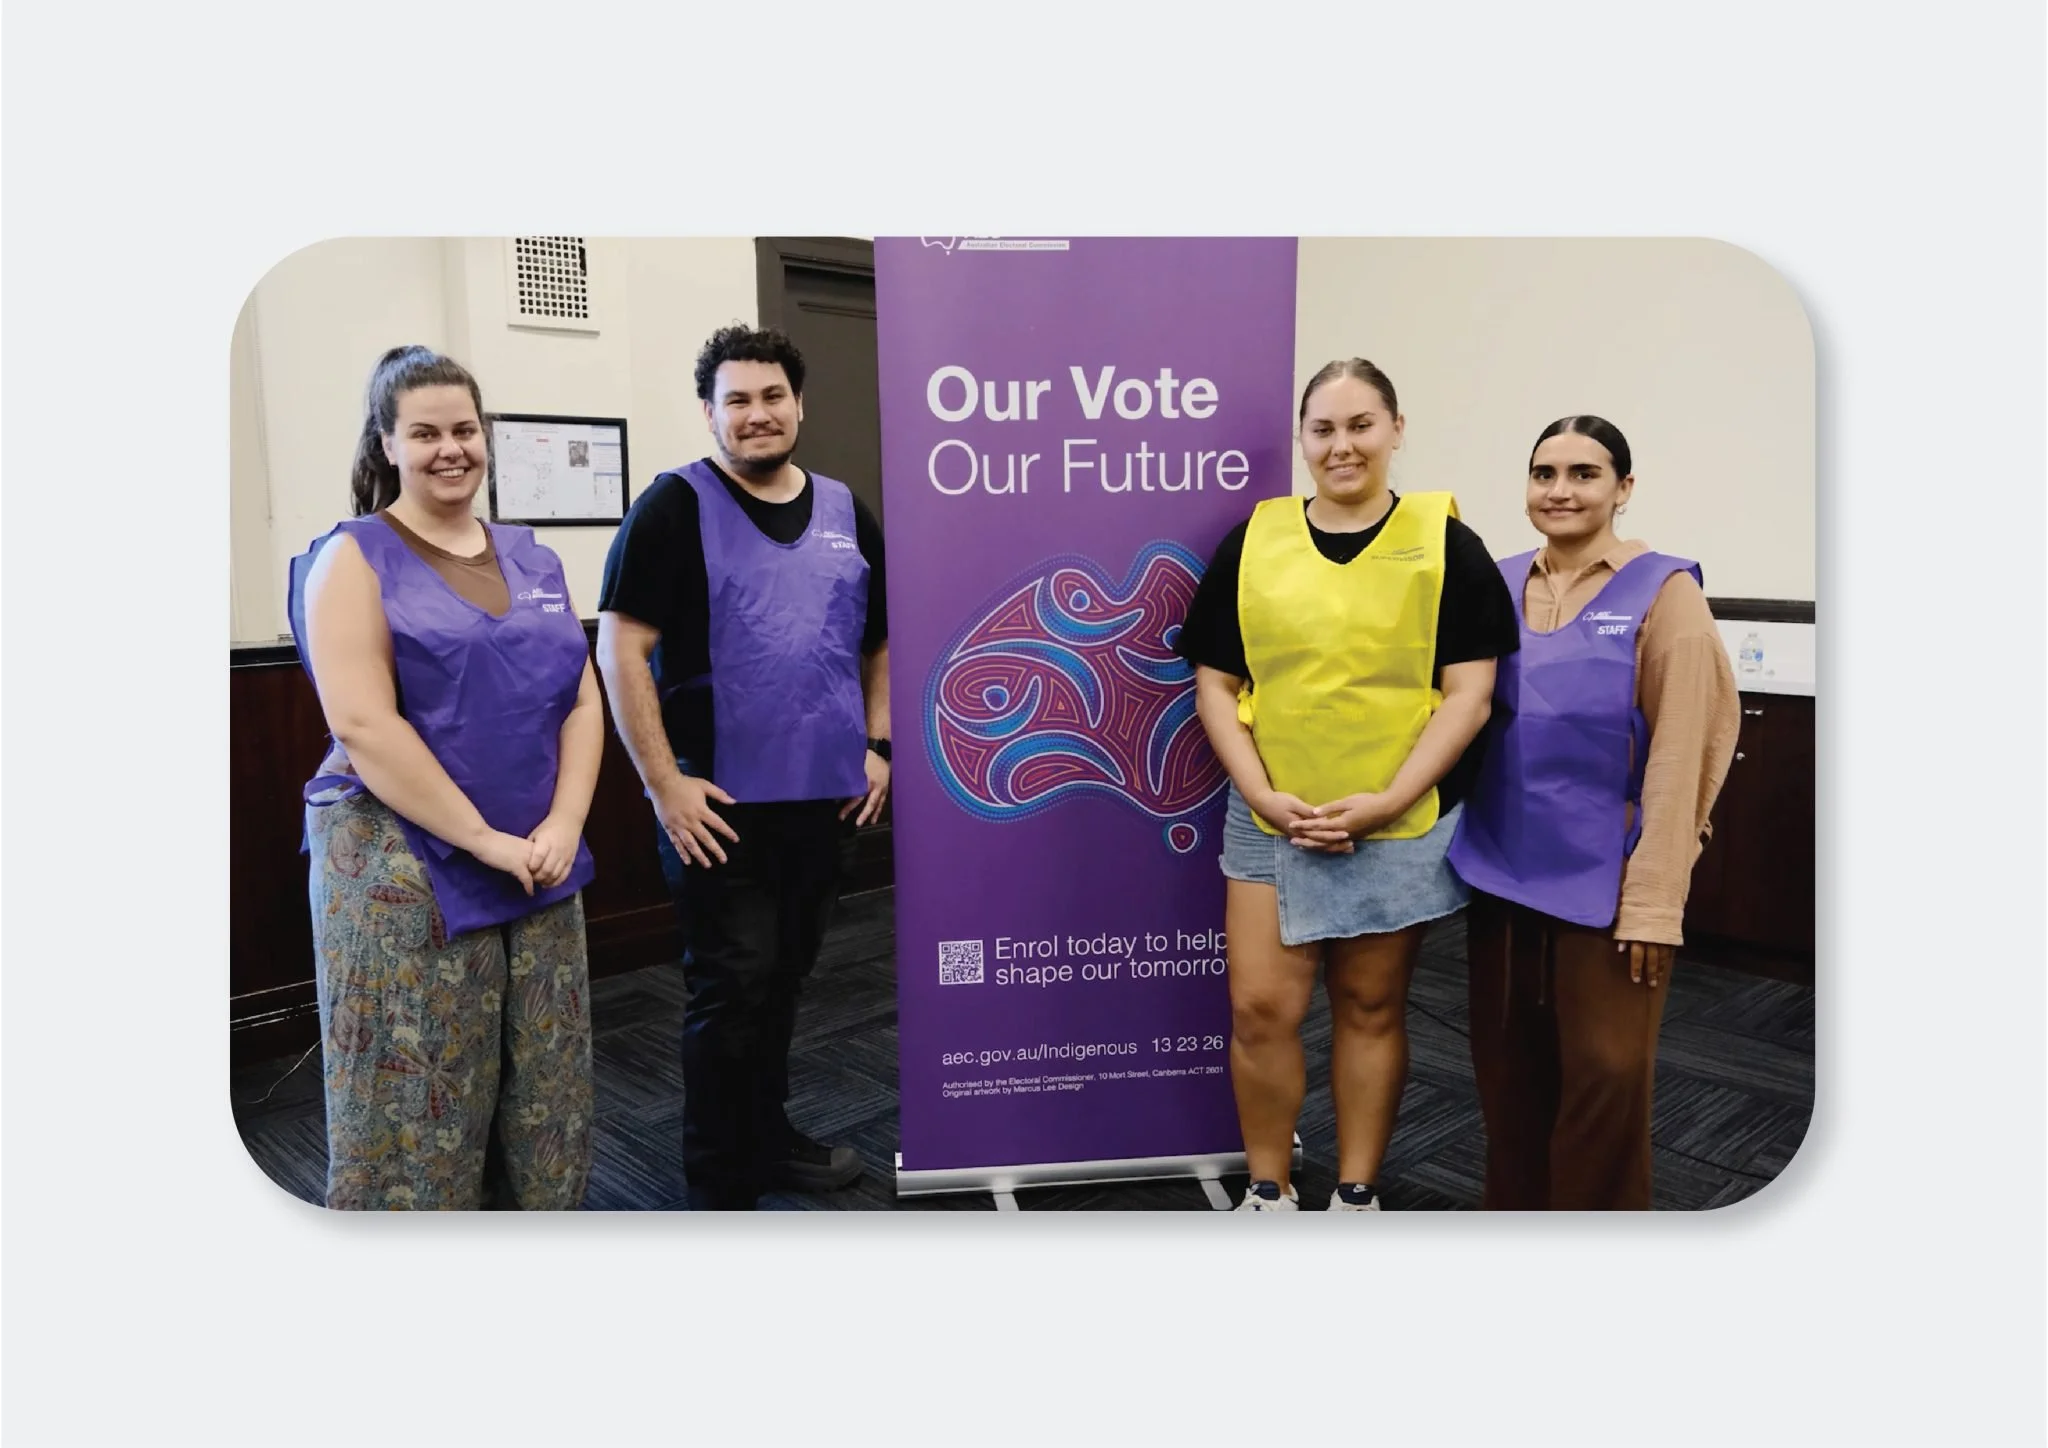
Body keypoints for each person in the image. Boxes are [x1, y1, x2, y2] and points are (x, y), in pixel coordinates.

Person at [1176, 358, 1521, 1211]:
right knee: (1260, 1008)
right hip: (1269, 815)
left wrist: (1390, 798)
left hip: (1393, 819)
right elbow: (1215, 685)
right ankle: (1269, 1189)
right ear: (1302, 441)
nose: (1342, 445)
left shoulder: (1448, 546)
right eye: (1323, 429)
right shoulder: (1254, 539)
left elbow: (1469, 695)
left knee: (1370, 1006)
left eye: (1361, 424)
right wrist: (1259, 793)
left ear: (1397, 431)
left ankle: (1357, 1191)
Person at [287, 345, 602, 1210]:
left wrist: (567, 821)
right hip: (406, 871)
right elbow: (363, 723)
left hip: (538, 859)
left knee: (544, 1087)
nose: (449, 448)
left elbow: (580, 699)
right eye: (424, 433)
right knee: (422, 1098)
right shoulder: (350, 558)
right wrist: (482, 840)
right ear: (388, 444)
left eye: (464, 429)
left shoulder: (534, 559)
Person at [595, 324, 890, 1211]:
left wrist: (878, 748)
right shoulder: (672, 507)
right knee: (732, 986)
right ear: (709, 413)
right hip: (716, 802)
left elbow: (880, 642)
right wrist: (662, 785)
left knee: (787, 977)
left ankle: (768, 1137)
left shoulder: (845, 509)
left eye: (772, 397)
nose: (757, 415)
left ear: (798, 404)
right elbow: (620, 649)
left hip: (827, 800)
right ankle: (718, 1182)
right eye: (738, 401)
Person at [1447, 415, 1740, 1210]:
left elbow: (1685, 758)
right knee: (1510, 1091)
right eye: (1545, 473)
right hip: (1501, 881)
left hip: (1610, 896)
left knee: (1604, 1086)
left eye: (1585, 473)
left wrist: (1654, 906)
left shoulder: (1664, 595)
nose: (1561, 490)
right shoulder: (1494, 582)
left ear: (1623, 488)